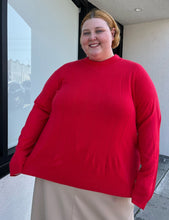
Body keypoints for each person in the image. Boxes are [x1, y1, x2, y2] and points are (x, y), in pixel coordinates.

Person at [10, 9, 161, 220]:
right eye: (85, 33)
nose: (91, 38)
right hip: (54, 181)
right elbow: (39, 112)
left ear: (113, 34)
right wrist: (20, 154)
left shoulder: (135, 75)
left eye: (99, 31)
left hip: (111, 190)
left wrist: (146, 182)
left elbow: (150, 129)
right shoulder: (65, 73)